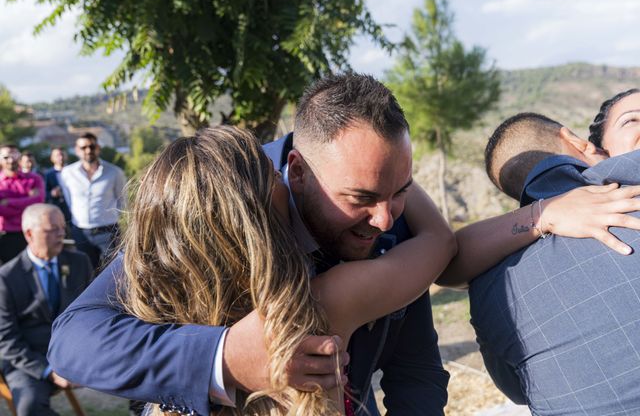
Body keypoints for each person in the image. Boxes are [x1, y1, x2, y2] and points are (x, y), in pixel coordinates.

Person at [49, 74, 454, 416]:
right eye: (360, 198)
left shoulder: (391, 208)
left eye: (402, 189)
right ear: (296, 172)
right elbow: (75, 338)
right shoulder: (221, 195)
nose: (385, 219)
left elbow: (416, 368)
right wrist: (221, 358)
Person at [120, 125, 457, 415]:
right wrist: (390, 177)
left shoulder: (163, 368)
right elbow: (440, 241)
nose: (285, 180)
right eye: (272, 172)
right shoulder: (327, 302)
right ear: (254, 225)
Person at [465, 111, 640, 414]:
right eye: (632, 120)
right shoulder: (630, 181)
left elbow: (519, 392)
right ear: (576, 141)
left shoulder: (488, 286)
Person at [0, 204, 93, 416]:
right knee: (29, 406)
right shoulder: (6, 278)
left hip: (73, 355)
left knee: (139, 368)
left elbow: (93, 312)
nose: (61, 233)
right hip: (28, 362)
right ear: (29, 234)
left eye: (62, 227)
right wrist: (49, 371)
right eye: (52, 229)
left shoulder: (79, 262)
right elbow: (6, 340)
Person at [59, 132, 126, 269]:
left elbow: (122, 201)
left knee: (113, 271)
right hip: (81, 231)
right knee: (85, 271)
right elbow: (68, 199)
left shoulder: (114, 172)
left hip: (108, 231)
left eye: (92, 146)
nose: (88, 150)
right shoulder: (67, 173)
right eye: (83, 148)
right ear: (77, 150)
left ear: (98, 148)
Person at [0, 144, 45, 264]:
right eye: (5, 157)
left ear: (19, 156)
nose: (10, 160)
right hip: (7, 236)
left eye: (14, 155)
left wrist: (9, 202)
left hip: (33, 233)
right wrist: (28, 200)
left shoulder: (35, 178)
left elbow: (39, 202)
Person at [44, 148, 71, 224]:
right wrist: (52, 194)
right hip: (57, 211)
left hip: (75, 210)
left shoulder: (74, 172)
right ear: (52, 158)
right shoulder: (48, 174)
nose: (61, 157)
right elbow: (44, 193)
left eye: (62, 154)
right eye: (57, 155)